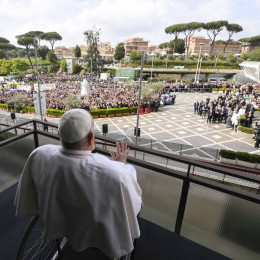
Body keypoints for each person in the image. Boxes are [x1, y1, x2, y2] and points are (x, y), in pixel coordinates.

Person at [14, 109, 142, 259]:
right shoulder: (115, 173)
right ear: (90, 137)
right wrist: (120, 165)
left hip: (58, 214)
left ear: (59, 134)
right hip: (97, 227)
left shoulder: (40, 153)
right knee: (130, 170)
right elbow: (133, 205)